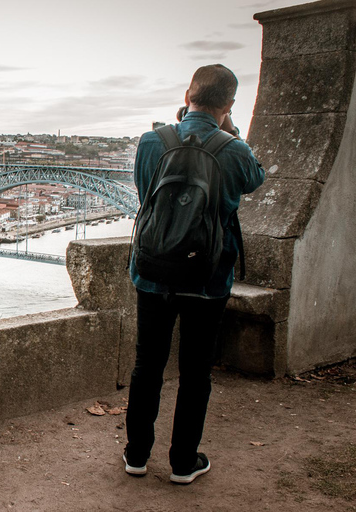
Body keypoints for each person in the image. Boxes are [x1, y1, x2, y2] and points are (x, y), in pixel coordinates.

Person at [124, 64, 265, 484]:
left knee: (146, 365)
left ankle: (136, 456)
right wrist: (232, 134)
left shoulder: (153, 141)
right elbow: (254, 180)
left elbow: (143, 191)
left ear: (188, 94)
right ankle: (183, 463)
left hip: (152, 271)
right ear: (229, 104)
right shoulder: (234, 150)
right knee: (195, 371)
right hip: (207, 278)